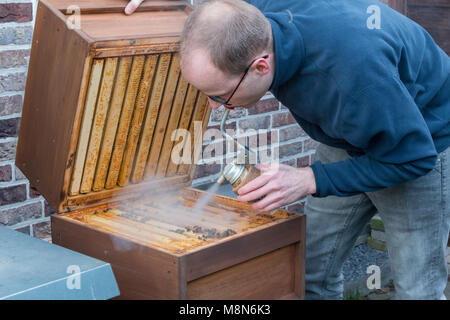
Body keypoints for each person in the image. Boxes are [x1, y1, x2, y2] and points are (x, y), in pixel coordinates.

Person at [129, 0, 450, 300]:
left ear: (260, 67)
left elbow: (414, 156)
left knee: (417, 288)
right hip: (351, 134)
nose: (215, 106)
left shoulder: (352, 73)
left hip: (420, 142)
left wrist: (309, 179)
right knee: (310, 270)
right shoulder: (252, 18)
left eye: (221, 95)